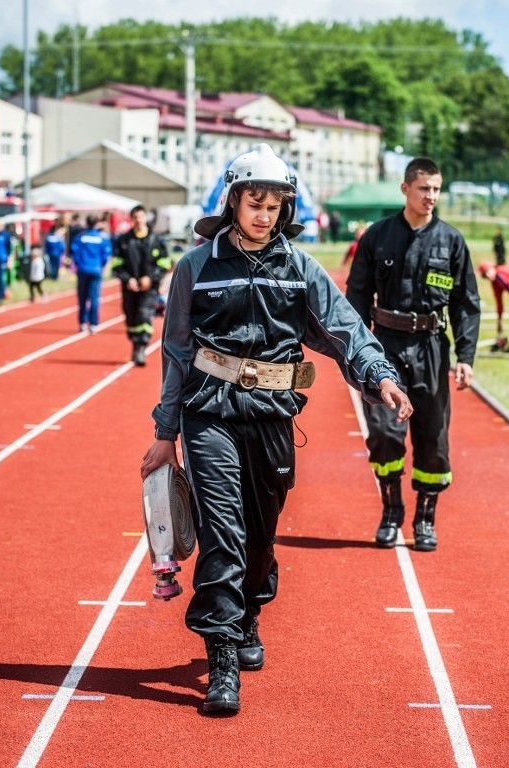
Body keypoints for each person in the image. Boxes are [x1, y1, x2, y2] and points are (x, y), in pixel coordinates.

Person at [140, 143, 413, 715]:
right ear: (234, 201)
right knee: (223, 531)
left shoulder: (299, 268)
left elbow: (344, 330)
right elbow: (176, 352)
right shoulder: (195, 267)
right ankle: (221, 656)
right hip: (208, 410)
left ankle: (249, 614)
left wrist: (380, 376)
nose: (264, 213)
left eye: (275, 204)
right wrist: (166, 432)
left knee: (260, 534)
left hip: (272, 414)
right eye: (254, 202)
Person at [346, 157, 481, 553]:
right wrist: (355, 351)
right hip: (384, 345)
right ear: (405, 189)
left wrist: (466, 356)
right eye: (424, 188)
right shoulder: (377, 236)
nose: (431, 196)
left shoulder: (451, 241)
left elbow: (466, 304)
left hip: (432, 350)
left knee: (433, 438)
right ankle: (392, 510)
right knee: (385, 435)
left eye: (437, 189)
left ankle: (425, 517)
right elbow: (355, 296)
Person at [112, 205, 172, 366]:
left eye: (141, 217)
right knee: (131, 317)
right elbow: (117, 264)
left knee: (144, 314)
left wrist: (151, 278)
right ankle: (135, 344)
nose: (139, 220)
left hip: (149, 288)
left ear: (145, 218)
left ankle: (141, 348)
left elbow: (165, 263)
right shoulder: (123, 240)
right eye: (136, 217)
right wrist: (128, 279)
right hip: (129, 288)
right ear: (132, 219)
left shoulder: (156, 240)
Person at [70, 214, 112, 333]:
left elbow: (75, 252)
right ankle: (93, 323)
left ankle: (83, 322)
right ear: (97, 223)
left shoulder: (80, 237)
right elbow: (106, 254)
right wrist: (100, 266)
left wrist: (79, 264)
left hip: (83, 270)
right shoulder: (102, 238)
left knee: (82, 297)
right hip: (95, 270)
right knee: (94, 298)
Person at [478, 261, 509, 350]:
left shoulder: (501, 273)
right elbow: (499, 303)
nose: (488, 276)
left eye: (488, 272)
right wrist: (499, 321)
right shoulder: (495, 282)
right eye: (485, 275)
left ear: (492, 268)